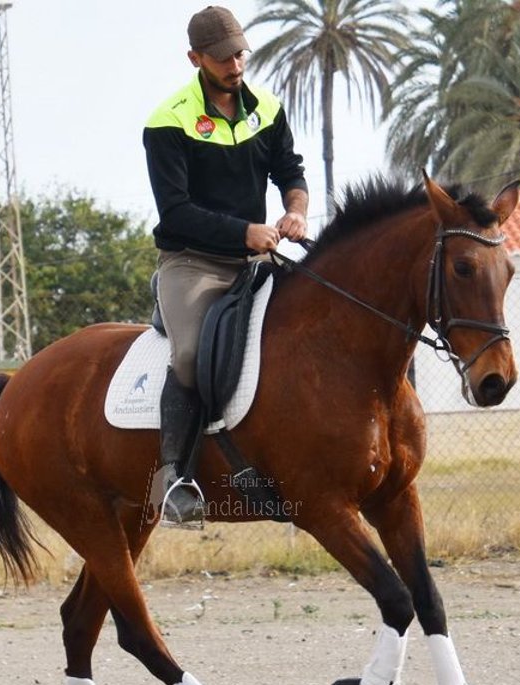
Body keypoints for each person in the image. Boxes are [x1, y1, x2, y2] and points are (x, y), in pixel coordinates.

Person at [143, 4, 309, 527]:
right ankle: (175, 480)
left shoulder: (267, 108)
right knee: (190, 355)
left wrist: (295, 210)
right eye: (222, 59)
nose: (235, 66)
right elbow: (177, 211)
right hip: (192, 263)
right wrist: (244, 231)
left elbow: (290, 169)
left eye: (239, 54)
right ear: (195, 58)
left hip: (256, 259)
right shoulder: (166, 122)